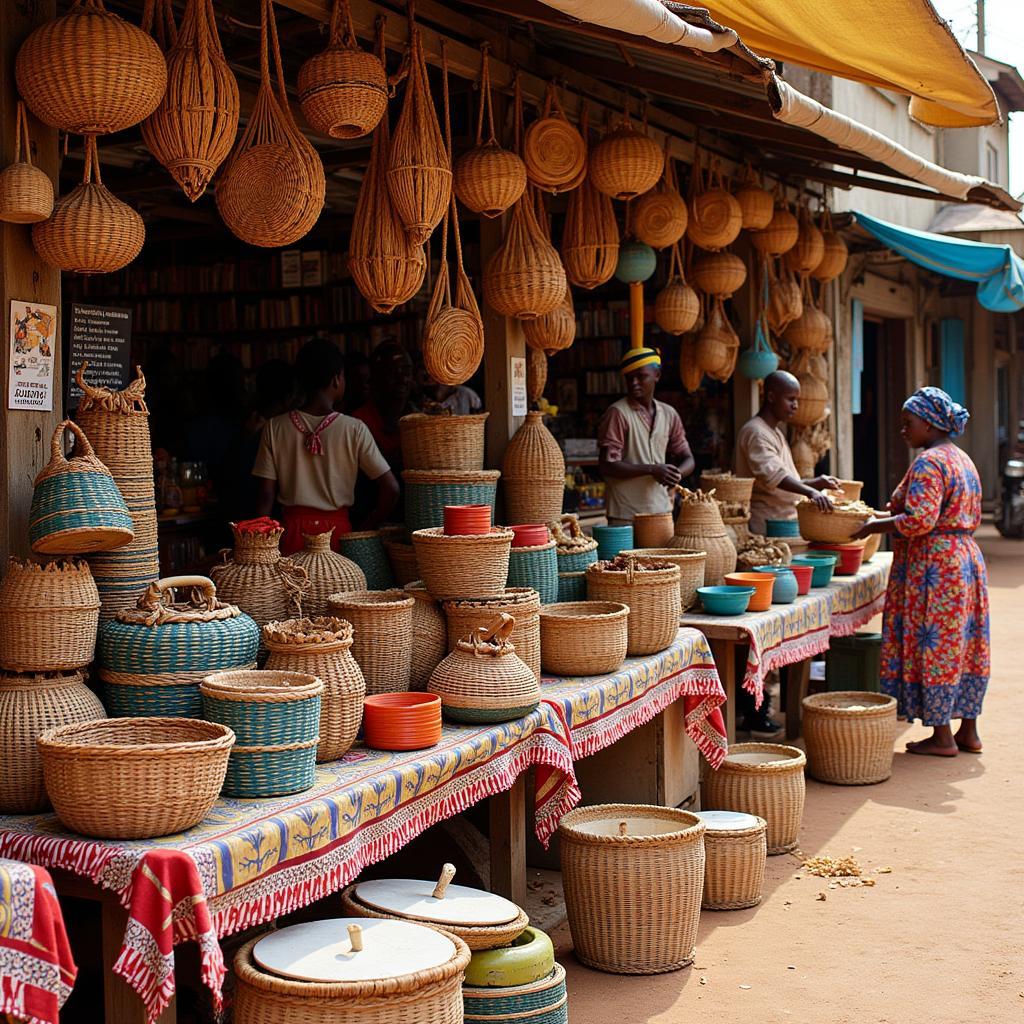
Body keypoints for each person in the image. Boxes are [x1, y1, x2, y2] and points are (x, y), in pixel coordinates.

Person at [852, 387, 989, 757]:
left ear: (928, 425)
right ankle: (968, 732)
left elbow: (918, 520)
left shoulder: (930, 462)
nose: (902, 430)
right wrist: (879, 516)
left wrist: (870, 527)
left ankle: (942, 736)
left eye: (907, 423)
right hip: (964, 560)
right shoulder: (961, 458)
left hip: (935, 568)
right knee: (964, 643)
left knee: (934, 645)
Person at [253, 339, 399, 554]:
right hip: (338, 536)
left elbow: (265, 496)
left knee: (294, 586)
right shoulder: (354, 429)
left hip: (292, 534)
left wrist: (259, 545)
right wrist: (367, 526)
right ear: (336, 380)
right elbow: (391, 489)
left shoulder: (275, 427)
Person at [597, 346, 695, 525]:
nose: (634, 383)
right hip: (624, 514)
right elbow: (607, 466)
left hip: (661, 510)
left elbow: (688, 458)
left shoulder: (669, 414)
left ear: (657, 375)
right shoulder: (617, 413)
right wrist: (652, 469)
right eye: (629, 378)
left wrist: (675, 474)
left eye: (641, 377)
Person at [735, 370, 839, 535]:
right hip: (767, 524)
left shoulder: (774, 432)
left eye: (796, 400)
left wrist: (817, 482)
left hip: (784, 520)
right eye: (790, 399)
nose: (795, 405)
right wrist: (811, 492)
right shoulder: (756, 432)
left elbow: (786, 482)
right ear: (771, 397)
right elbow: (775, 478)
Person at [353, 342, 417, 466]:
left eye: (407, 372)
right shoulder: (359, 422)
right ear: (376, 377)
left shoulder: (418, 417)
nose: (403, 379)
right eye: (394, 373)